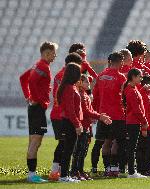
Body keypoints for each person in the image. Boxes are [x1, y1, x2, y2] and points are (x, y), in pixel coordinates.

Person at [19, 41, 58, 183]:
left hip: (35, 107)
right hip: (37, 108)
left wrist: (28, 97)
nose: (55, 56)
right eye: (54, 53)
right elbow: (32, 81)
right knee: (36, 142)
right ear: (47, 53)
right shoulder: (43, 66)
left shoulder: (37, 64)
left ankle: (31, 174)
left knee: (34, 142)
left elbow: (23, 78)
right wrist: (34, 99)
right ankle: (31, 175)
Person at [91, 52, 127, 176]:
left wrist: (95, 113)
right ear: (121, 62)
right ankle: (113, 167)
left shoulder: (101, 76)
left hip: (103, 115)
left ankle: (103, 168)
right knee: (117, 142)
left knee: (104, 142)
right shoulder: (121, 77)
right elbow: (125, 97)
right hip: (117, 115)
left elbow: (95, 96)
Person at [48, 53, 83, 181]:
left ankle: (64, 175)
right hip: (69, 121)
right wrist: (77, 124)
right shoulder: (69, 88)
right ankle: (64, 176)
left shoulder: (69, 86)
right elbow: (70, 109)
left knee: (67, 149)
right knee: (68, 150)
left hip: (67, 121)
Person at [71, 74, 112, 180]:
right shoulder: (81, 95)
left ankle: (79, 171)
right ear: (80, 83)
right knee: (79, 150)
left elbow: (90, 110)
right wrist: (100, 116)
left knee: (83, 150)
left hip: (86, 125)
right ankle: (75, 172)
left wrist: (98, 116)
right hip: (83, 126)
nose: (89, 84)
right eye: (86, 82)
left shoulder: (84, 94)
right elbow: (86, 111)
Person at [122, 68, 148, 178]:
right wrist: (144, 121)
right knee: (132, 147)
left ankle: (131, 171)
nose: (141, 78)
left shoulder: (133, 89)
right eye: (140, 76)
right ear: (133, 77)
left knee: (132, 147)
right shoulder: (130, 90)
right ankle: (132, 172)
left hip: (134, 121)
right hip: (133, 122)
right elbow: (136, 109)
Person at [136, 75, 150, 176]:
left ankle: (145, 168)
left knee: (149, 149)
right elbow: (143, 113)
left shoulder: (147, 94)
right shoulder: (143, 95)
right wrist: (144, 127)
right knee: (145, 149)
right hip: (146, 127)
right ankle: (143, 169)